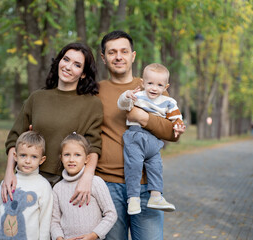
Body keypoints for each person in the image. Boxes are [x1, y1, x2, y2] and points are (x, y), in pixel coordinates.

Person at [96, 30, 185, 240]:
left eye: (124, 51)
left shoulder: (153, 86)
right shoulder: (95, 90)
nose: (118, 56)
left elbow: (172, 133)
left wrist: (142, 118)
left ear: (133, 56)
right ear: (103, 57)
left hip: (147, 186)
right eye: (112, 52)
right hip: (108, 186)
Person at [3, 43, 103, 208]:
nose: (68, 67)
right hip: (31, 177)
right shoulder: (37, 98)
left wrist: (87, 178)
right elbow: (15, 138)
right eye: (66, 59)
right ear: (58, 61)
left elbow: (94, 146)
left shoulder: (92, 104)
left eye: (77, 65)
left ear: (83, 74)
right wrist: (9, 173)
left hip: (69, 182)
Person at [117, 63, 184, 215]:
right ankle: (133, 198)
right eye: (150, 83)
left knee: (156, 167)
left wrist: (178, 126)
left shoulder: (169, 102)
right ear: (143, 83)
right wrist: (126, 95)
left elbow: (176, 117)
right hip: (136, 137)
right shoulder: (138, 96)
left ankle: (156, 196)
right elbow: (122, 105)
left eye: (159, 85)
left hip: (154, 141)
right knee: (133, 166)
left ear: (166, 86)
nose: (154, 88)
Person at [0, 131, 53, 240]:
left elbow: (45, 221)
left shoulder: (43, 186)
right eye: (23, 155)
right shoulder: (7, 182)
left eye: (34, 157)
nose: (28, 161)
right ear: (15, 156)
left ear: (41, 160)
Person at [51, 132, 117, 240]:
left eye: (77, 155)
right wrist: (59, 238)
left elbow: (111, 214)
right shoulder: (57, 188)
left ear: (86, 159)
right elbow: (54, 221)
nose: (71, 159)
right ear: (61, 158)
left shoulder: (96, 182)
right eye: (67, 154)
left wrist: (94, 235)